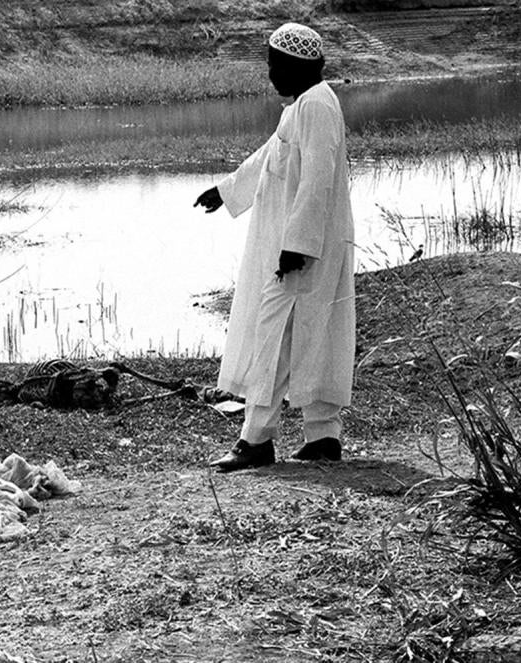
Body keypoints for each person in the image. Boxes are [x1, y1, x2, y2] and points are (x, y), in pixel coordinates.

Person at [194, 22, 355, 472]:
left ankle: (256, 441)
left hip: (304, 251)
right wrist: (226, 192)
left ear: (295, 65)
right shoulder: (302, 105)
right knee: (313, 333)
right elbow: (269, 157)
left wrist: (297, 246)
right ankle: (323, 436)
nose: (270, 74)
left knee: (273, 336)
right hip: (305, 249)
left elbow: (318, 180)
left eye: (273, 65)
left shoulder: (317, 107)